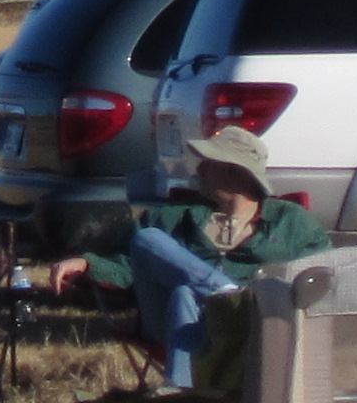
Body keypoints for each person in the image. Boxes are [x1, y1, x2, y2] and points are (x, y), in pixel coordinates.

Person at [46, 127, 329, 384]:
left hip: (251, 327)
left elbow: (325, 272)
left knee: (185, 292)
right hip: (168, 322)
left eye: (210, 162)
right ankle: (225, 293)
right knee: (149, 240)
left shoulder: (291, 222)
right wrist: (88, 263)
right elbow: (131, 265)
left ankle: (185, 395)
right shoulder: (174, 216)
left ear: (236, 172)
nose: (199, 169)